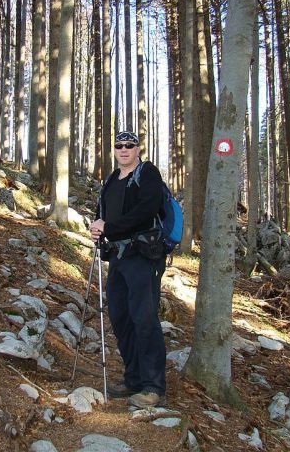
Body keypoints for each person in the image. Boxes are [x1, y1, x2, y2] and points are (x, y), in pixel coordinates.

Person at [90, 131, 167, 408]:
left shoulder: (148, 174)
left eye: (129, 145)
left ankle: (153, 385)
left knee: (144, 318)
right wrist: (98, 227)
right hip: (119, 257)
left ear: (138, 149)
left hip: (143, 256)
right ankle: (133, 378)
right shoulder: (112, 179)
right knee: (121, 317)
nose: (124, 149)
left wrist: (109, 227)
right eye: (119, 145)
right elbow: (103, 212)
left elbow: (147, 210)